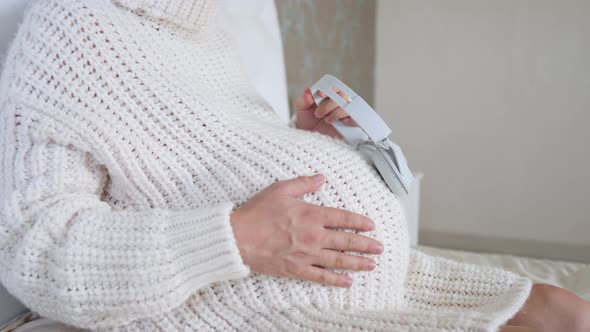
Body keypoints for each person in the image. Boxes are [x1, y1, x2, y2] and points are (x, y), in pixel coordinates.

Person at [0, 1, 588, 331]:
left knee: (565, 309)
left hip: (362, 276)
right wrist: (238, 236)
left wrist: (306, 144)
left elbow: (205, 161)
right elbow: (36, 248)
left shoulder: (209, 33)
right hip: (255, 310)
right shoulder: (72, 28)